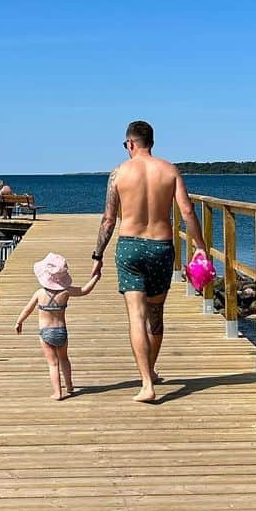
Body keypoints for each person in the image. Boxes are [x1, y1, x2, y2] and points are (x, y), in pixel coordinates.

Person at [90, 119, 206, 403]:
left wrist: (98, 255)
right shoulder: (169, 170)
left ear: (130, 143)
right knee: (156, 314)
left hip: (129, 247)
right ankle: (151, 370)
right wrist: (200, 247)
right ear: (151, 142)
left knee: (136, 316)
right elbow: (188, 212)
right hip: (161, 248)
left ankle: (146, 383)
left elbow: (108, 220)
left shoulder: (118, 173)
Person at [14, 251, 100, 400]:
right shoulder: (66, 292)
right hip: (61, 331)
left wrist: (19, 321)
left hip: (45, 332)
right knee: (64, 359)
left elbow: (28, 309)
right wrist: (96, 278)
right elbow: (84, 290)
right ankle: (70, 386)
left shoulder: (40, 293)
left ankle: (57, 392)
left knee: (53, 364)